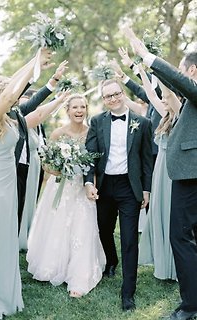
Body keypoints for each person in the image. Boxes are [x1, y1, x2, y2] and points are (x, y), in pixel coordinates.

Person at [124, 25, 197, 320]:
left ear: (192, 70)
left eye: (184, 70)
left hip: (190, 175)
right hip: (187, 173)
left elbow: (179, 84)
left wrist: (145, 55)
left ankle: (191, 306)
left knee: (180, 237)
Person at [0, 48, 47, 319]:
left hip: (7, 188)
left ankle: (3, 290)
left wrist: (35, 62)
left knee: (5, 239)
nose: (14, 98)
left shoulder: (8, 118)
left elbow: (15, 97)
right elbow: (12, 93)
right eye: (8, 94)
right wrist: (33, 61)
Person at [26, 93, 106, 298]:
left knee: (83, 228)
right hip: (60, 187)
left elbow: (95, 164)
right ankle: (51, 266)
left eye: (83, 107)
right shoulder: (58, 134)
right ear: (68, 110)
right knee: (57, 226)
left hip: (82, 187)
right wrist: (57, 170)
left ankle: (79, 276)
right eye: (75, 107)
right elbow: (46, 163)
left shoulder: (92, 133)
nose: (79, 111)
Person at [84, 78, 153, 311]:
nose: (112, 99)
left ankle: (128, 292)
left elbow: (146, 159)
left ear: (122, 94)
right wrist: (87, 182)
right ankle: (111, 261)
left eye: (115, 94)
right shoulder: (96, 121)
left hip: (128, 186)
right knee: (104, 229)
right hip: (104, 186)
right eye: (107, 96)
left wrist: (146, 189)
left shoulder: (142, 123)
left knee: (129, 238)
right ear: (103, 100)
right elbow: (89, 156)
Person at [137, 65, 180, 281]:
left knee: (171, 216)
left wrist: (152, 62)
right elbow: (152, 93)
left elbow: (168, 93)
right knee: (158, 215)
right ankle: (162, 264)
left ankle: (174, 266)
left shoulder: (182, 116)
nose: (163, 100)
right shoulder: (165, 116)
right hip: (158, 173)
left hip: (172, 174)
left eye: (167, 98)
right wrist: (144, 72)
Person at [18, 88, 69, 250]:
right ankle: (20, 236)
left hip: (36, 164)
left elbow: (42, 138)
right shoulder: (25, 121)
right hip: (25, 165)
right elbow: (40, 112)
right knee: (24, 200)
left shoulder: (38, 125)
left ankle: (27, 231)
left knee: (32, 198)